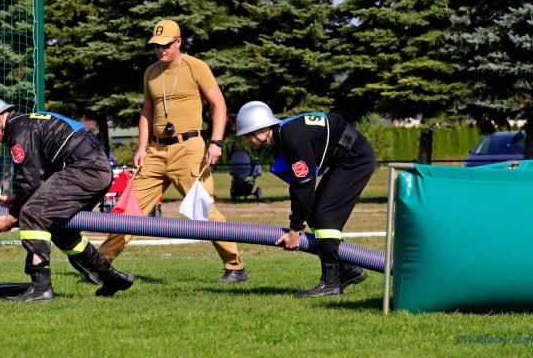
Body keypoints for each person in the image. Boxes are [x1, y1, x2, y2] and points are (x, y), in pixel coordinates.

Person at [98, 19, 248, 283]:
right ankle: (100, 265)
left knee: (204, 211)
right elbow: (146, 111)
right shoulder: (150, 72)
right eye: (156, 46)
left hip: (189, 150)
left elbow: (219, 105)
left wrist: (215, 142)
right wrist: (142, 147)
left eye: (166, 45)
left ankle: (235, 268)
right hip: (156, 152)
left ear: (178, 42)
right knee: (128, 209)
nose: (161, 50)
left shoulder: (196, 67)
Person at [0, 95, 134, 302]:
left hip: (86, 169)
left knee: (32, 214)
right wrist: (16, 199)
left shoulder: (19, 130)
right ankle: (111, 277)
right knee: (60, 231)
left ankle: (41, 288)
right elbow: (43, 172)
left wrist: (11, 217)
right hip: (94, 168)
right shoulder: (27, 123)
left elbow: (31, 180)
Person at [235, 101, 376, 297]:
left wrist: (295, 229)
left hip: (356, 158)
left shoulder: (291, 136)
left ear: (262, 128)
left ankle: (331, 283)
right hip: (344, 158)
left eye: (249, 135)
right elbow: (299, 185)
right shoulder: (283, 137)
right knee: (314, 213)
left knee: (324, 215)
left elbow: (304, 183)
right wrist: (299, 220)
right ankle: (347, 268)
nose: (248, 141)